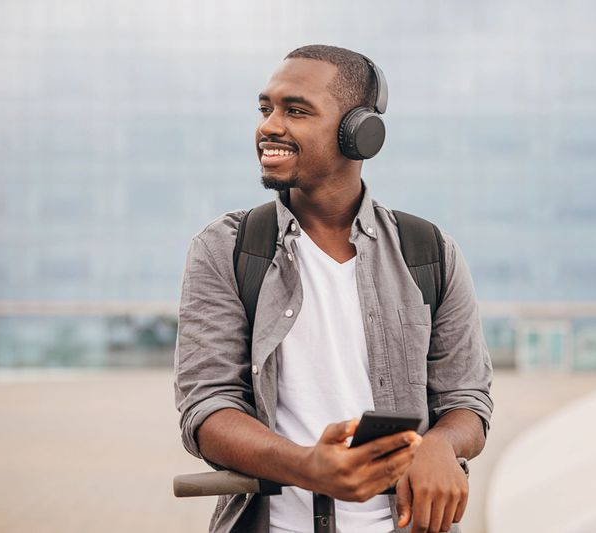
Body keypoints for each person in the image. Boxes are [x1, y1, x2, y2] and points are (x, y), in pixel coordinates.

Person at [174, 44, 493, 533]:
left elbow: (466, 401)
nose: (269, 127)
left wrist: (441, 444)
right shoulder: (225, 249)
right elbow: (207, 407)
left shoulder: (430, 251)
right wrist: (307, 466)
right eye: (265, 109)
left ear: (359, 132)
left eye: (296, 111)